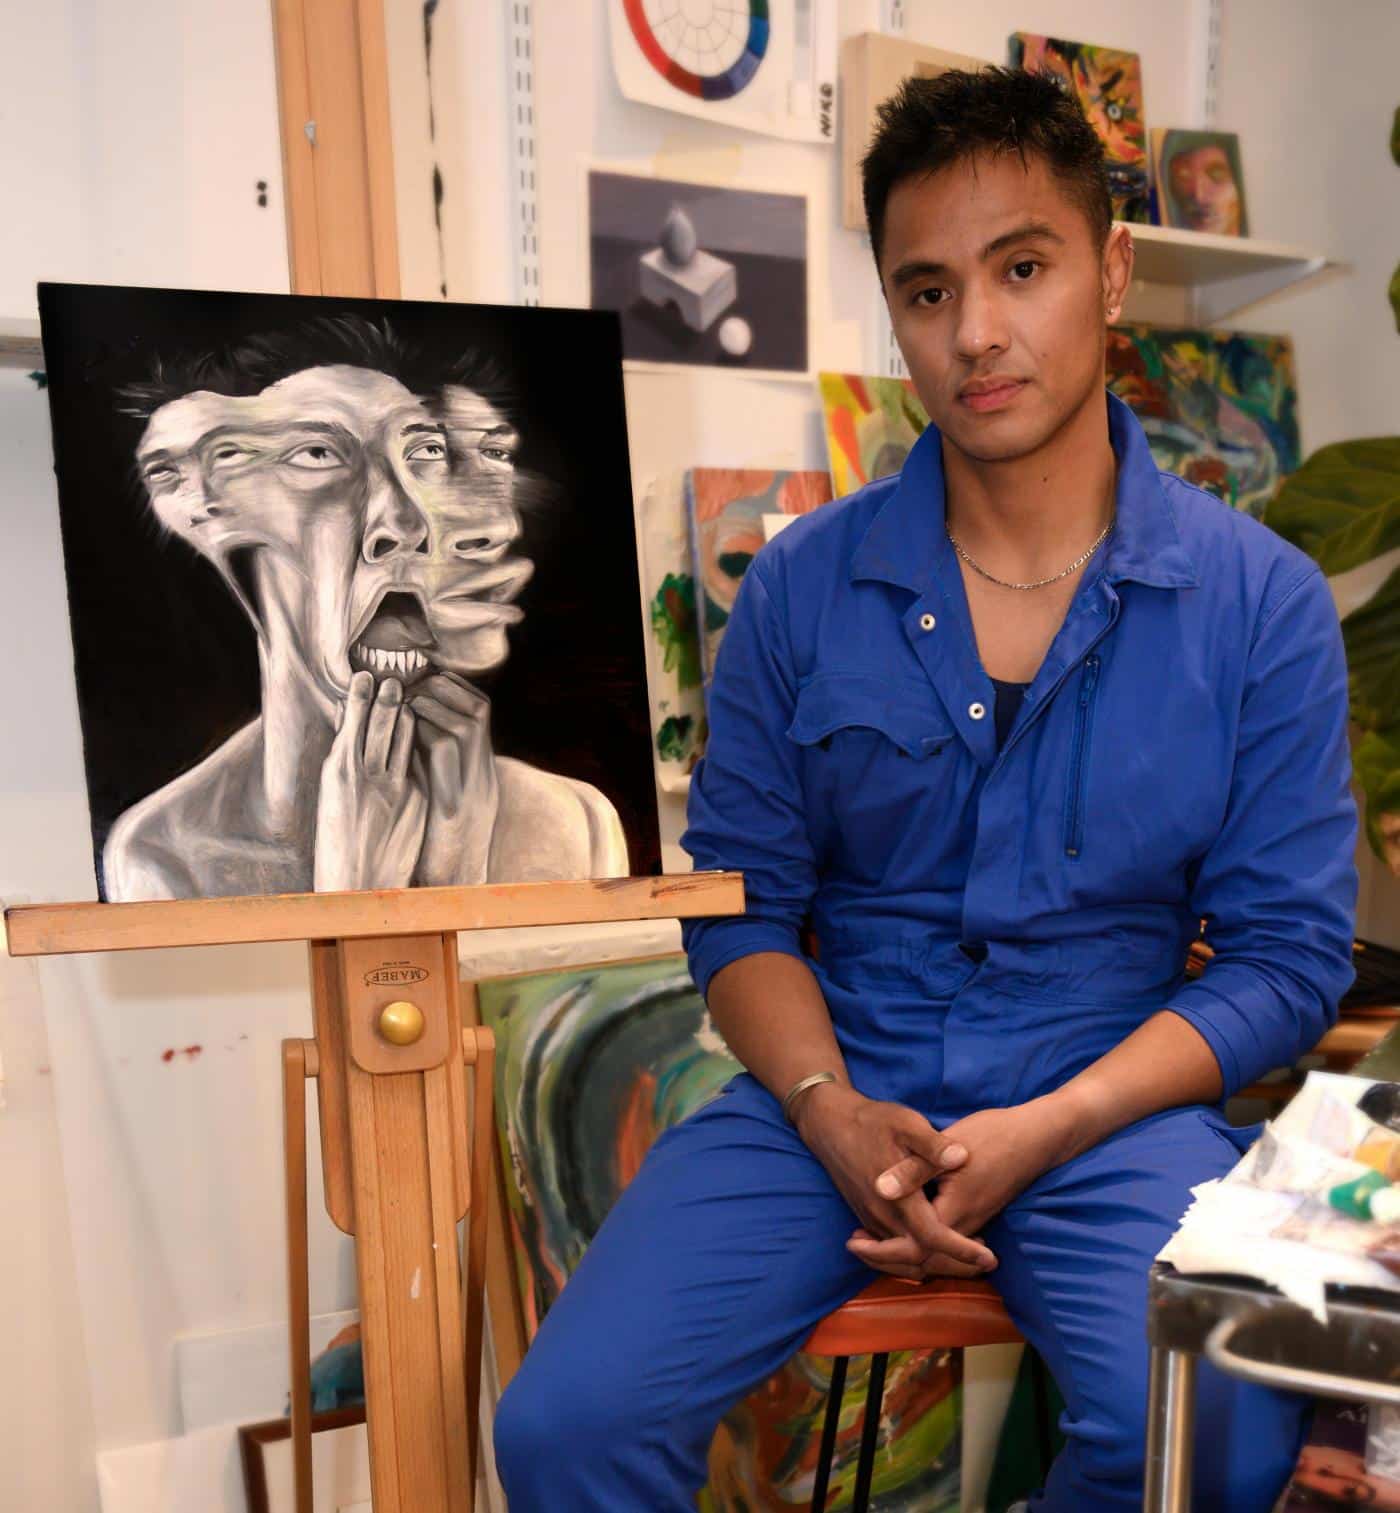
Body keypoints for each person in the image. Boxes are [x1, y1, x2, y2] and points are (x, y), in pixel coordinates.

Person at [493, 67, 1357, 1511]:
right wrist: (825, 1105)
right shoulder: (797, 586)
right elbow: (743, 906)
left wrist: (1057, 1121)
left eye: (1022, 268)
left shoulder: (1258, 602)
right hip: (832, 1097)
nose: (976, 333)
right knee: (563, 1425)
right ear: (893, 311)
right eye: (928, 289)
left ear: (1112, 271)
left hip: (1109, 1107)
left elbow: (1286, 957)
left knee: (1218, 1433)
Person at [104, 317, 627, 900]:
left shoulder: (572, 825)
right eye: (318, 454)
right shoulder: (163, 859)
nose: (409, 522)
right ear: (201, 505)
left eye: (421, 452)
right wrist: (356, 895)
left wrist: (454, 872)